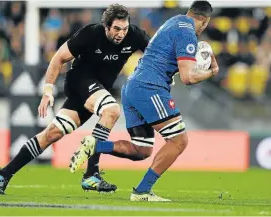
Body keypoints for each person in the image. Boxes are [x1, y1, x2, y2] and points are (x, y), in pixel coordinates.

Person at [0, 4, 150, 195]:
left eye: (124, 28)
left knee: (52, 133)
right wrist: (47, 90)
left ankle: (2, 174)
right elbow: (58, 58)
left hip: (97, 91)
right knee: (111, 110)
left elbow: (158, 51)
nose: (121, 33)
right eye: (116, 29)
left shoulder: (136, 35)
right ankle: (91, 174)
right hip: (79, 82)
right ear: (106, 26)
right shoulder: (90, 34)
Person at [69, 0, 219, 201]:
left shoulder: (174, 21)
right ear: (205, 21)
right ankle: (141, 191)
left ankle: (95, 145)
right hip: (150, 87)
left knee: (142, 149)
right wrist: (211, 72)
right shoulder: (187, 32)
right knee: (178, 141)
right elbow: (188, 77)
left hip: (133, 86)